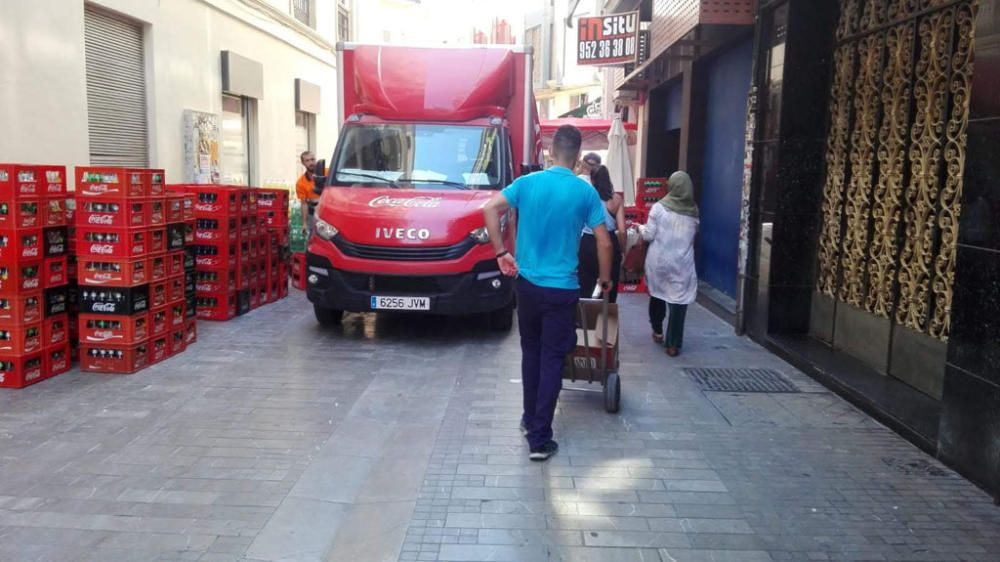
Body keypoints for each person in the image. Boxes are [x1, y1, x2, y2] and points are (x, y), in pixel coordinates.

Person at [483, 125, 613, 462]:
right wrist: (605, 278)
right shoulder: (584, 193)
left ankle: (530, 420)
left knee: (531, 352)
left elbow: (489, 209)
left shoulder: (527, 184)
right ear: (577, 157)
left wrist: (501, 253)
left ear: (552, 151)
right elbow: (603, 240)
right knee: (553, 357)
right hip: (562, 289)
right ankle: (540, 438)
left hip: (526, 286)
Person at [640, 171, 699, 357]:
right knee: (679, 303)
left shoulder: (658, 208)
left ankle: (657, 331)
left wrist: (640, 228)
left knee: (657, 295)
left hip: (659, 261)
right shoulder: (694, 212)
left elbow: (649, 235)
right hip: (682, 263)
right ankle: (672, 344)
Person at [578, 165, 626, 302]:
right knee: (608, 286)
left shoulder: (586, 198)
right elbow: (622, 231)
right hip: (610, 241)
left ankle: (586, 320)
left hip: (587, 242)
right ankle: (606, 318)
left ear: (592, 180)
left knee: (586, 285)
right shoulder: (616, 199)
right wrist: (622, 250)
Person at [295, 151, 320, 234]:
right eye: (307, 160)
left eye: (312, 159)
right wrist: (304, 223)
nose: (311, 162)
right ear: (303, 163)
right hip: (313, 214)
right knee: (313, 239)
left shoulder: (327, 172)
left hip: (330, 212)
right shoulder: (300, 183)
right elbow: (304, 204)